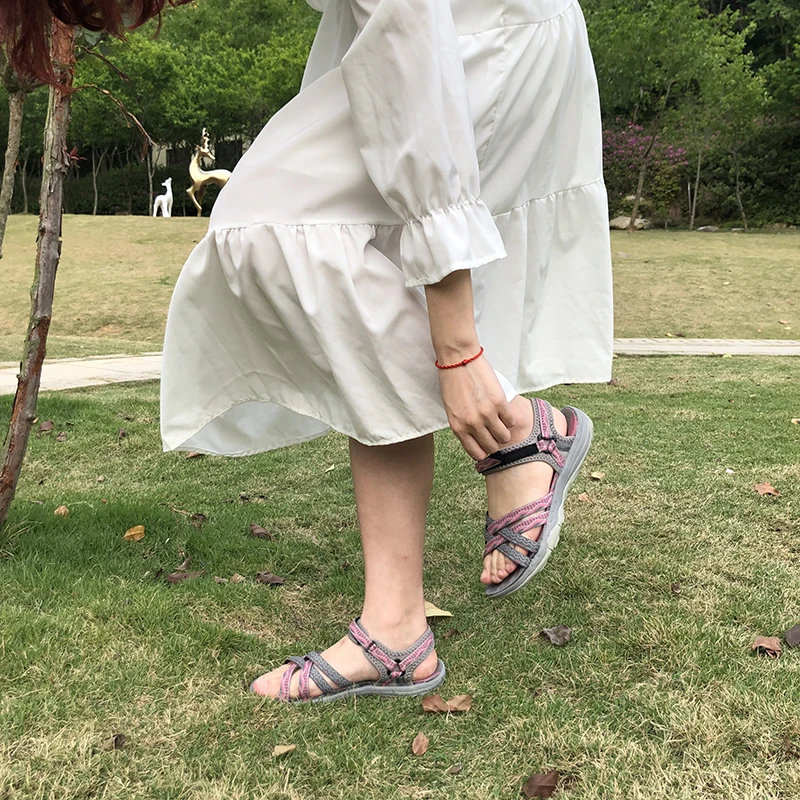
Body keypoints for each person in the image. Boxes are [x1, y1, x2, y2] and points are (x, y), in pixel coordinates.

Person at [7, 0, 613, 704]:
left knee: (273, 229)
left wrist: (457, 346)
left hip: (456, 41)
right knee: (347, 280)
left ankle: (514, 438)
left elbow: (405, 31)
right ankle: (398, 623)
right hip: (426, 41)